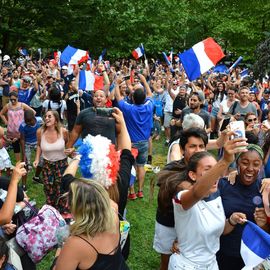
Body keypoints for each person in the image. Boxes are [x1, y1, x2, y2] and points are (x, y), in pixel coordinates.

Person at [168, 135, 248, 270]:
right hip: (185, 265)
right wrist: (224, 161)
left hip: (211, 264)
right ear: (192, 175)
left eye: (215, 169)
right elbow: (196, 193)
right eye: (208, 170)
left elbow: (219, 230)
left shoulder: (216, 195)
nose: (215, 175)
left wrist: (232, 221)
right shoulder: (182, 198)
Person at [154, 128, 208, 270]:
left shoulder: (208, 171)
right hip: (169, 224)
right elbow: (161, 179)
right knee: (166, 262)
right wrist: (184, 185)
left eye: (201, 146)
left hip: (192, 227)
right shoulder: (173, 167)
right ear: (183, 149)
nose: (197, 150)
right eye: (192, 146)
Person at [55, 180, 129, 270]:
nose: (67, 205)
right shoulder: (113, 216)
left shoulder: (75, 243)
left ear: (81, 209)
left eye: (70, 203)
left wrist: (60, 247)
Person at [217, 144, 270, 269]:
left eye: (256, 164)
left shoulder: (265, 190)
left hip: (253, 259)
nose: (250, 168)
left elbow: (267, 234)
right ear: (237, 163)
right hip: (223, 253)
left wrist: (264, 225)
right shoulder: (224, 185)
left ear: (261, 166)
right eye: (245, 162)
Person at [115, 73, 154, 199]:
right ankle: (140, 190)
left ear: (132, 98)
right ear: (144, 99)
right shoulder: (149, 106)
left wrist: (116, 84)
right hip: (144, 143)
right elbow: (150, 95)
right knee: (141, 166)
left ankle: (131, 192)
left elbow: (118, 98)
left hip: (131, 143)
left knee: (130, 166)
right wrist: (144, 81)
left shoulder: (129, 108)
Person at [33, 110, 68, 213]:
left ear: (56, 120)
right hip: (47, 164)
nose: (46, 118)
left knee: (61, 188)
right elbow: (39, 145)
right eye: (45, 116)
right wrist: (37, 159)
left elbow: (68, 145)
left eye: (49, 116)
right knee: (48, 188)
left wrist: (71, 151)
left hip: (61, 164)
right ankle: (50, 210)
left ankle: (62, 210)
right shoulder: (40, 132)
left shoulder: (64, 131)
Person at [0, 91, 35, 162]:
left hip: (22, 131)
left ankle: (26, 163)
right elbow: (1, 114)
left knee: (24, 147)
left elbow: (33, 112)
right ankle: (19, 164)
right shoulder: (8, 106)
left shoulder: (22, 105)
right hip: (12, 131)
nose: (13, 101)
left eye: (14, 99)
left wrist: (27, 121)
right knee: (16, 148)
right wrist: (6, 122)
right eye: (11, 99)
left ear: (17, 98)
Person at [19, 109, 43, 189]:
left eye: (29, 121)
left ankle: (36, 177)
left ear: (34, 117)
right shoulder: (23, 126)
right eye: (26, 121)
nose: (28, 123)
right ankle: (23, 185)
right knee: (25, 163)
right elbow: (22, 139)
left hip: (37, 142)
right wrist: (24, 153)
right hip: (27, 144)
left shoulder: (39, 120)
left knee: (42, 160)